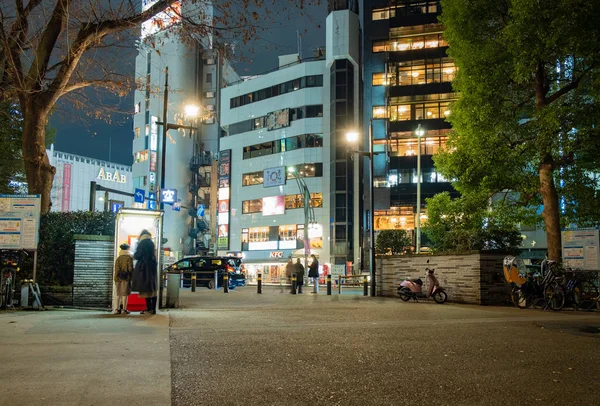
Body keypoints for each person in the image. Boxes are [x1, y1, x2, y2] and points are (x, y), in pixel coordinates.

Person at [132, 229, 158, 314]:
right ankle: (153, 309)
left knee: (145, 288)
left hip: (144, 268)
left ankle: (148, 308)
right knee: (152, 289)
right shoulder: (151, 243)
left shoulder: (142, 243)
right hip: (152, 267)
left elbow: (138, 255)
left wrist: (134, 255)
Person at [113, 243, 133, 314]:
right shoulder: (129, 258)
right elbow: (130, 269)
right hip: (126, 278)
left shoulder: (118, 258)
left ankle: (116, 309)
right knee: (125, 294)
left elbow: (116, 269)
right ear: (128, 249)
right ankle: (124, 310)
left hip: (118, 278)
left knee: (118, 294)